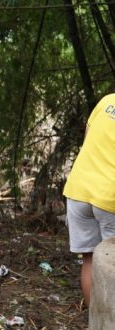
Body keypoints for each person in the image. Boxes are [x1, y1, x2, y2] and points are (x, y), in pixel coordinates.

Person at [62, 92, 115, 306]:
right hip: (109, 197)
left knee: (91, 260)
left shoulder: (107, 101)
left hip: (78, 190)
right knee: (112, 264)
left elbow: (87, 141)